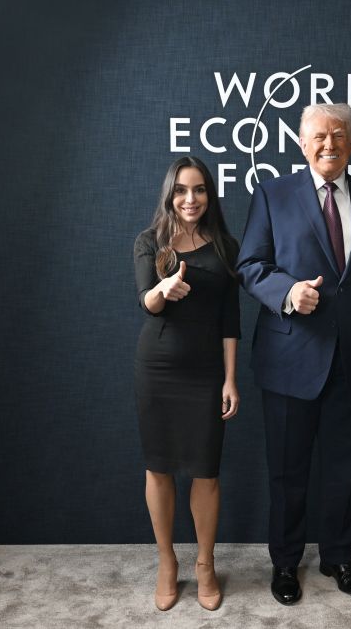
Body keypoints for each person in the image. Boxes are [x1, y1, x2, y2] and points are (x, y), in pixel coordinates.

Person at [236, 103, 351, 605]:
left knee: (344, 469)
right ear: (302, 144)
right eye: (319, 136)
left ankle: (339, 558)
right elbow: (250, 265)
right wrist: (288, 292)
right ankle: (286, 563)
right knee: (288, 472)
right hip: (290, 358)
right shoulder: (272, 194)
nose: (329, 144)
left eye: (339, 135)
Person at [133, 156, 240, 612]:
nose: (190, 199)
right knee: (158, 469)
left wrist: (231, 379)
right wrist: (163, 290)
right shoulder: (149, 241)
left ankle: (205, 565)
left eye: (199, 189)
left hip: (206, 374)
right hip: (157, 370)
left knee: (205, 472)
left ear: (209, 195)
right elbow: (146, 301)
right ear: (169, 195)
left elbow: (231, 320)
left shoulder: (226, 246)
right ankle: (167, 562)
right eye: (181, 190)